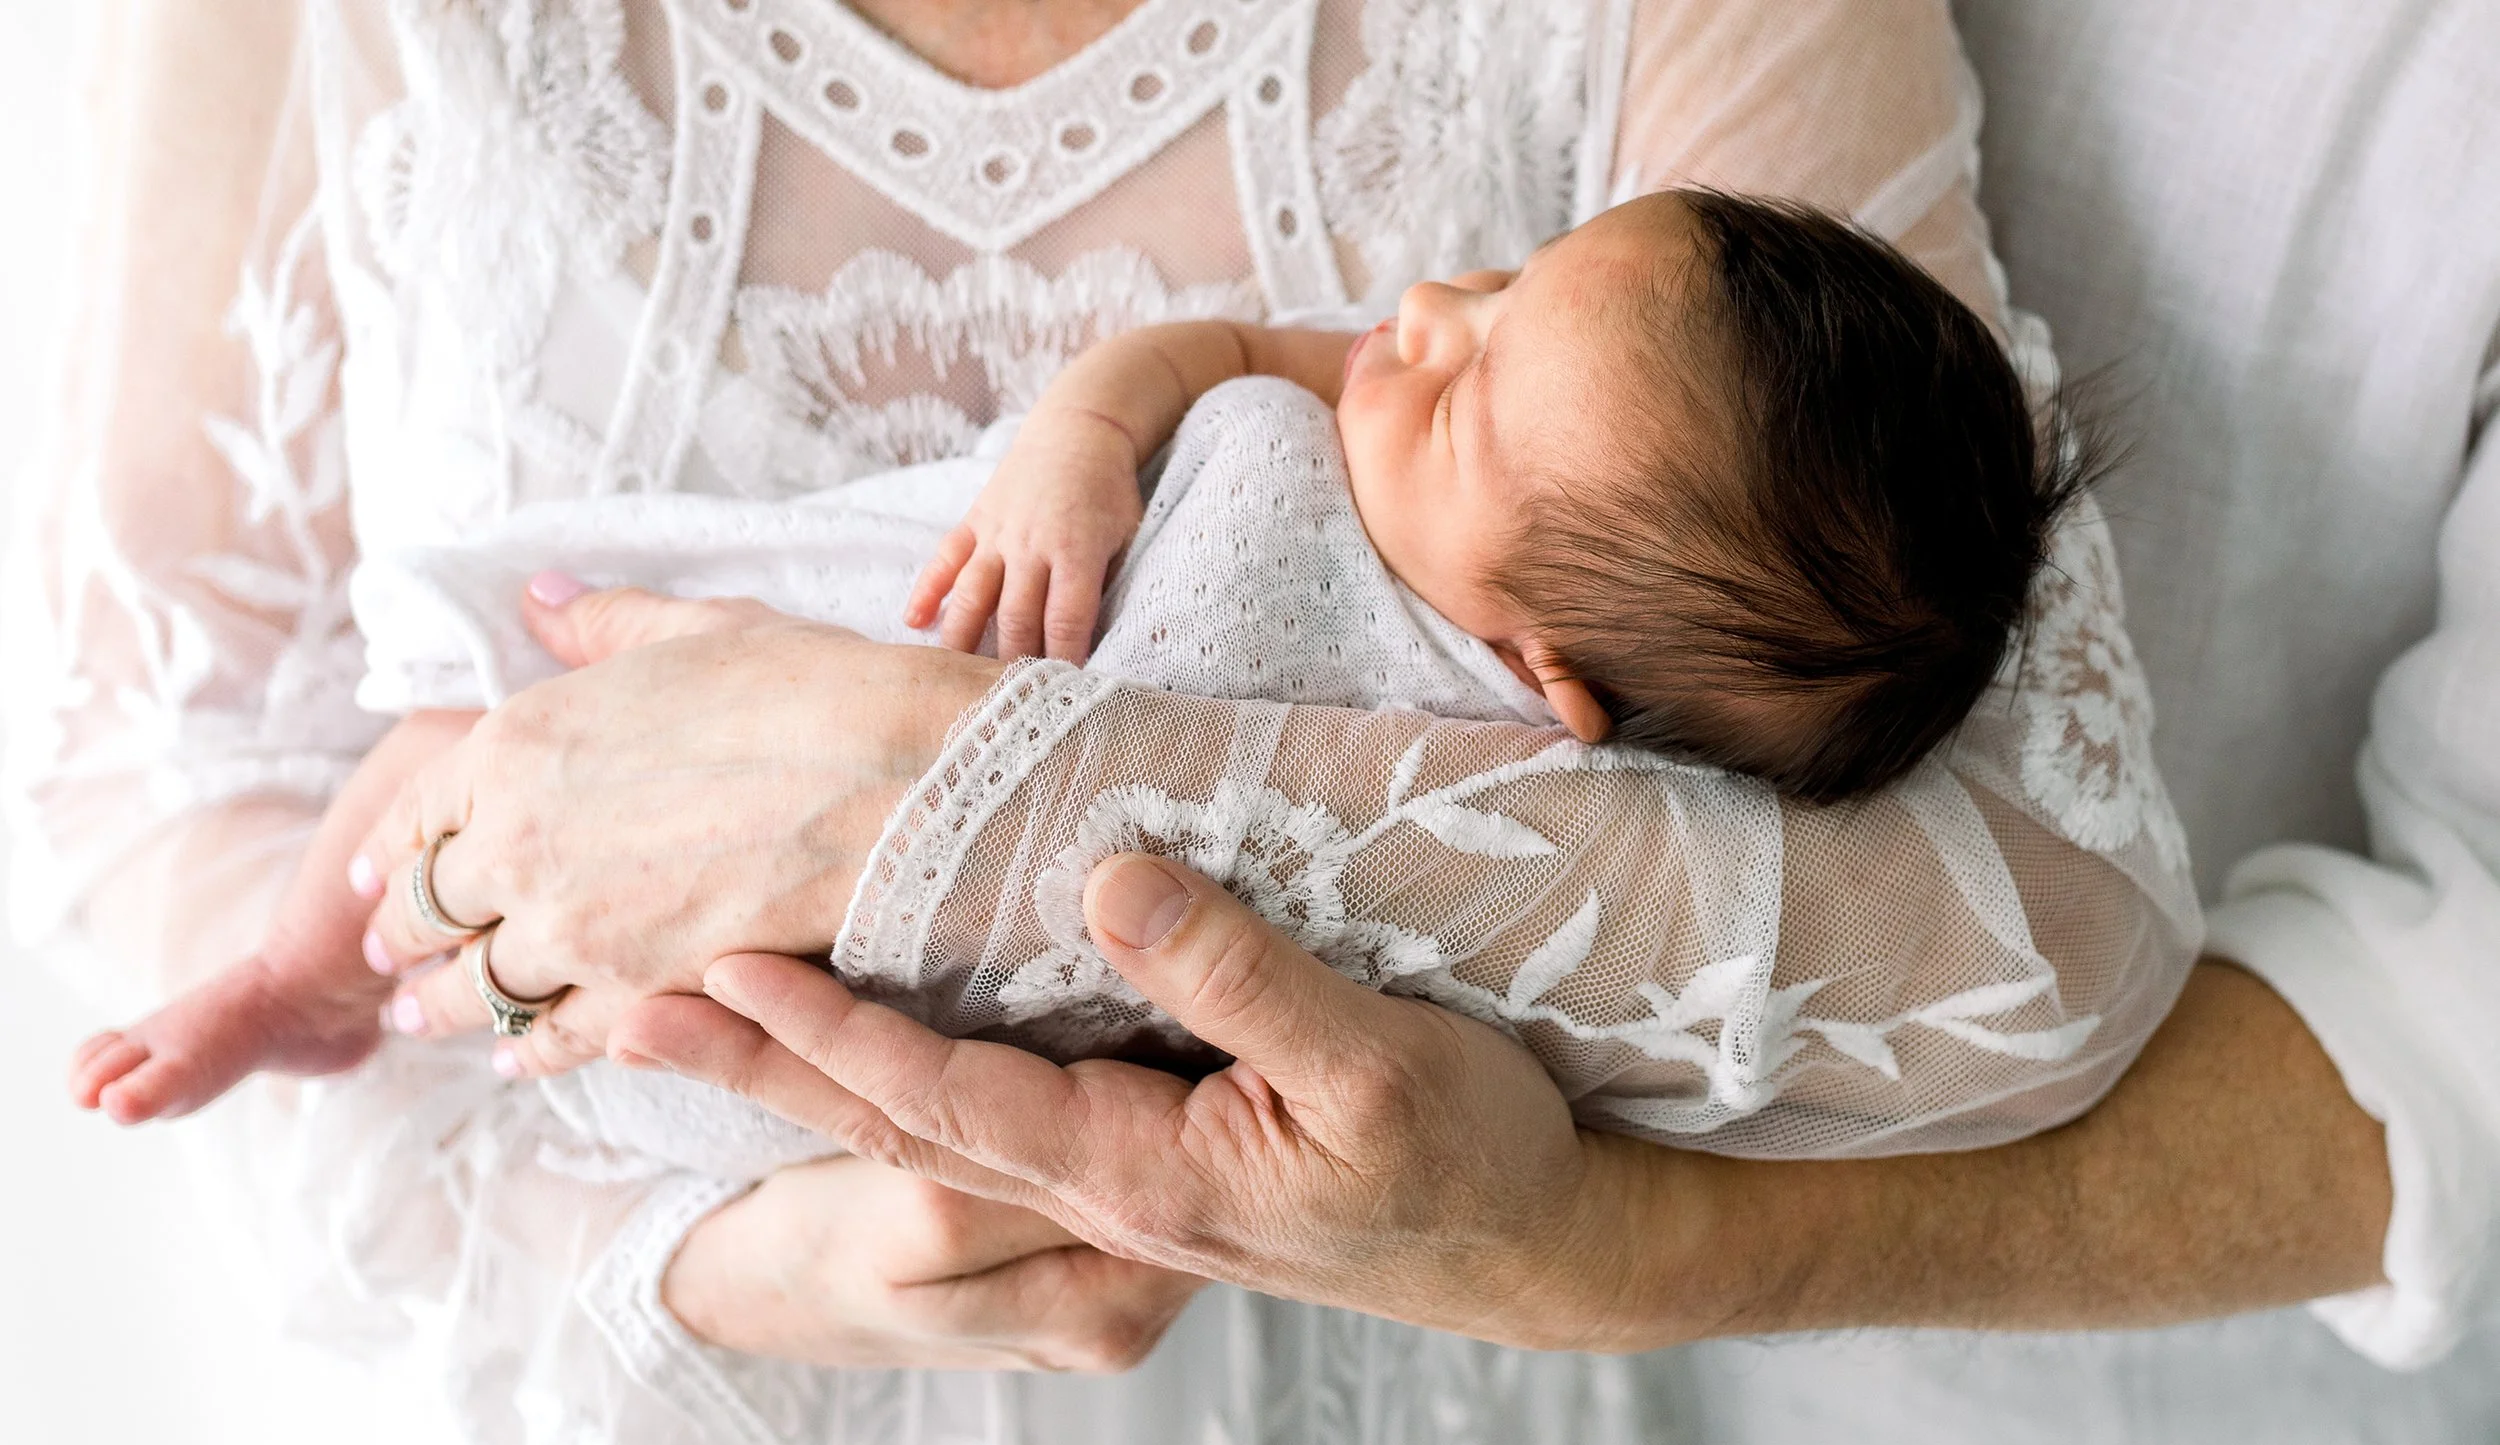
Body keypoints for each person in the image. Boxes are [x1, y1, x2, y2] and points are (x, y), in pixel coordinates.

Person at [5, 0, 2204, 1445]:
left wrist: (927, 790)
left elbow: (2028, 933)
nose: (1423, 325)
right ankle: (337, 1001)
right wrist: (721, 1276)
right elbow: (139, 757)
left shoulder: (1723, 319)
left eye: (1476, 353)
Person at [75, 187, 2070, 1134]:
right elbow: (1201, 347)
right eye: (1502, 281)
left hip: (924, 968)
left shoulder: (1472, 763)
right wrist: (1075, 445)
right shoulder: (1343, 414)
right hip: (870, 619)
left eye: (1470, 385)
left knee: (690, 1033)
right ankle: (289, 971)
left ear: (1542, 674)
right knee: (464, 738)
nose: (1420, 311)